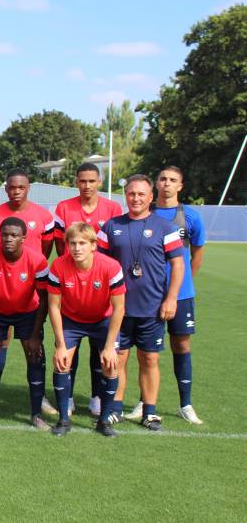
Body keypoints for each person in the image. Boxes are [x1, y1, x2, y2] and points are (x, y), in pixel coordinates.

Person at [97, 174, 184, 432]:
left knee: (149, 359)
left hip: (151, 308)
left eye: (141, 194)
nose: (136, 198)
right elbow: (99, 264)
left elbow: (178, 264)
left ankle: (150, 411)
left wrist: (171, 298)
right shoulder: (111, 226)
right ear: (126, 196)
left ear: (150, 197)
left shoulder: (165, 228)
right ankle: (115, 409)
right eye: (131, 194)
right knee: (117, 359)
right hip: (118, 310)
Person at [131, 165, 205, 424]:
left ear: (180, 185)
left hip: (179, 295)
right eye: (162, 179)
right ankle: (144, 402)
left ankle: (186, 403)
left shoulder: (191, 217)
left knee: (181, 344)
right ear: (154, 186)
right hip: (147, 295)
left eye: (172, 180)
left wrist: (182, 287)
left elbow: (196, 256)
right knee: (146, 351)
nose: (166, 184)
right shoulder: (141, 213)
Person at [0, 168, 55, 413]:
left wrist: (28, 273)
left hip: (30, 293)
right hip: (0, 294)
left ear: (28, 188)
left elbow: (46, 249)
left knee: (33, 349)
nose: (16, 191)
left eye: (21, 187)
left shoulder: (43, 216)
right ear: (6, 188)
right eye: (12, 187)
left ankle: (39, 399)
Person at [53, 162, 122, 416]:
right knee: (70, 351)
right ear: (76, 181)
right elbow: (61, 247)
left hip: (101, 286)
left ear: (99, 182)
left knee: (100, 352)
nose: (87, 185)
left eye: (92, 181)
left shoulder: (112, 208)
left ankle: (96, 397)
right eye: (82, 180)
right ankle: (67, 398)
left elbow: (114, 245)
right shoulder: (64, 207)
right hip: (73, 286)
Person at [47, 223, 125, 437]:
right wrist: (60, 345)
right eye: (72, 243)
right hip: (72, 320)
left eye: (82, 243)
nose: (77, 248)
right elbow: (53, 306)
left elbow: (119, 308)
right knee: (62, 363)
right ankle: (63, 420)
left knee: (110, 365)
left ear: (93, 245)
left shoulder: (111, 267)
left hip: (103, 320)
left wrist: (109, 347)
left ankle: (104, 421)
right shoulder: (58, 266)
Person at [0, 217, 50, 430]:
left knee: (35, 355)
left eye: (14, 235)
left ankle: (36, 414)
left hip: (28, 312)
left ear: (23, 238)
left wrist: (35, 335)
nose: (8, 239)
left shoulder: (37, 260)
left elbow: (44, 299)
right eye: (5, 234)